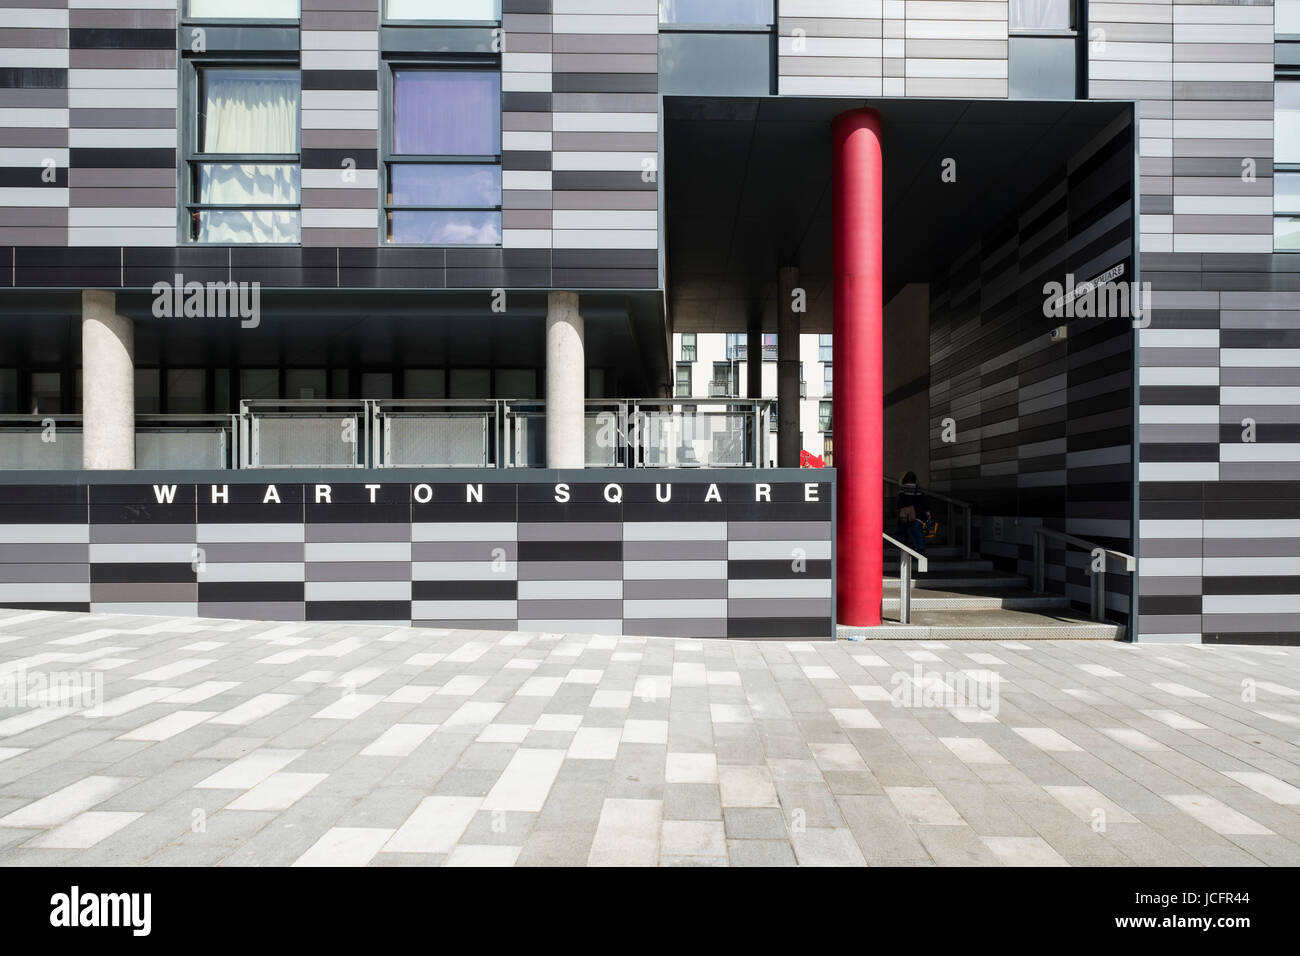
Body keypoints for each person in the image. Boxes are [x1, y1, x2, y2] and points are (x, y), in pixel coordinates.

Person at [897, 471, 931, 555]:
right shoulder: (918, 488)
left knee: (911, 531)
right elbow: (924, 502)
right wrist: (927, 512)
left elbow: (900, 503)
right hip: (919, 513)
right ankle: (921, 549)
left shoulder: (903, 488)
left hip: (908, 514)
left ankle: (916, 549)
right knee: (918, 531)